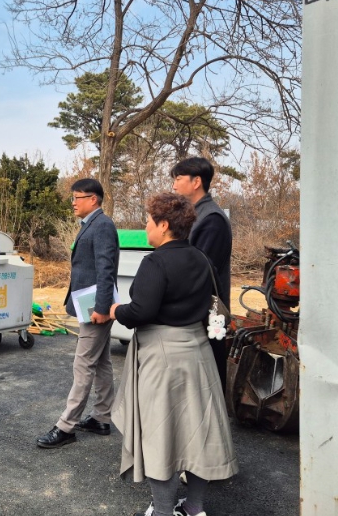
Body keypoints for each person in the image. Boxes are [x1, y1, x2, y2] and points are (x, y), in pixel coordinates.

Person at [109, 192, 238, 516]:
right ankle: (194, 508)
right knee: (200, 434)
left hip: (162, 356)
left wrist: (115, 310)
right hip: (199, 353)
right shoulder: (201, 258)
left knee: (161, 437)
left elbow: (141, 311)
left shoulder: (155, 262)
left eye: (148, 221)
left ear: (164, 225)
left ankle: (163, 511)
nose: (146, 226)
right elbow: (215, 302)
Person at [36, 179, 120, 449]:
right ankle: (101, 417)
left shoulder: (102, 225)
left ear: (93, 199)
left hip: (96, 306)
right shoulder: (91, 224)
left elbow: (106, 270)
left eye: (77, 197)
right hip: (91, 304)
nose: (73, 203)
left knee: (83, 364)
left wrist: (102, 308)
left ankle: (66, 426)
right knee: (102, 362)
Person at [171, 157, 231, 391]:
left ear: (196, 182)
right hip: (195, 311)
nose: (174, 185)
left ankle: (216, 414)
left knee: (209, 377)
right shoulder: (194, 215)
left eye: (178, 179)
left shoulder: (212, 219)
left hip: (207, 313)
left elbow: (201, 271)